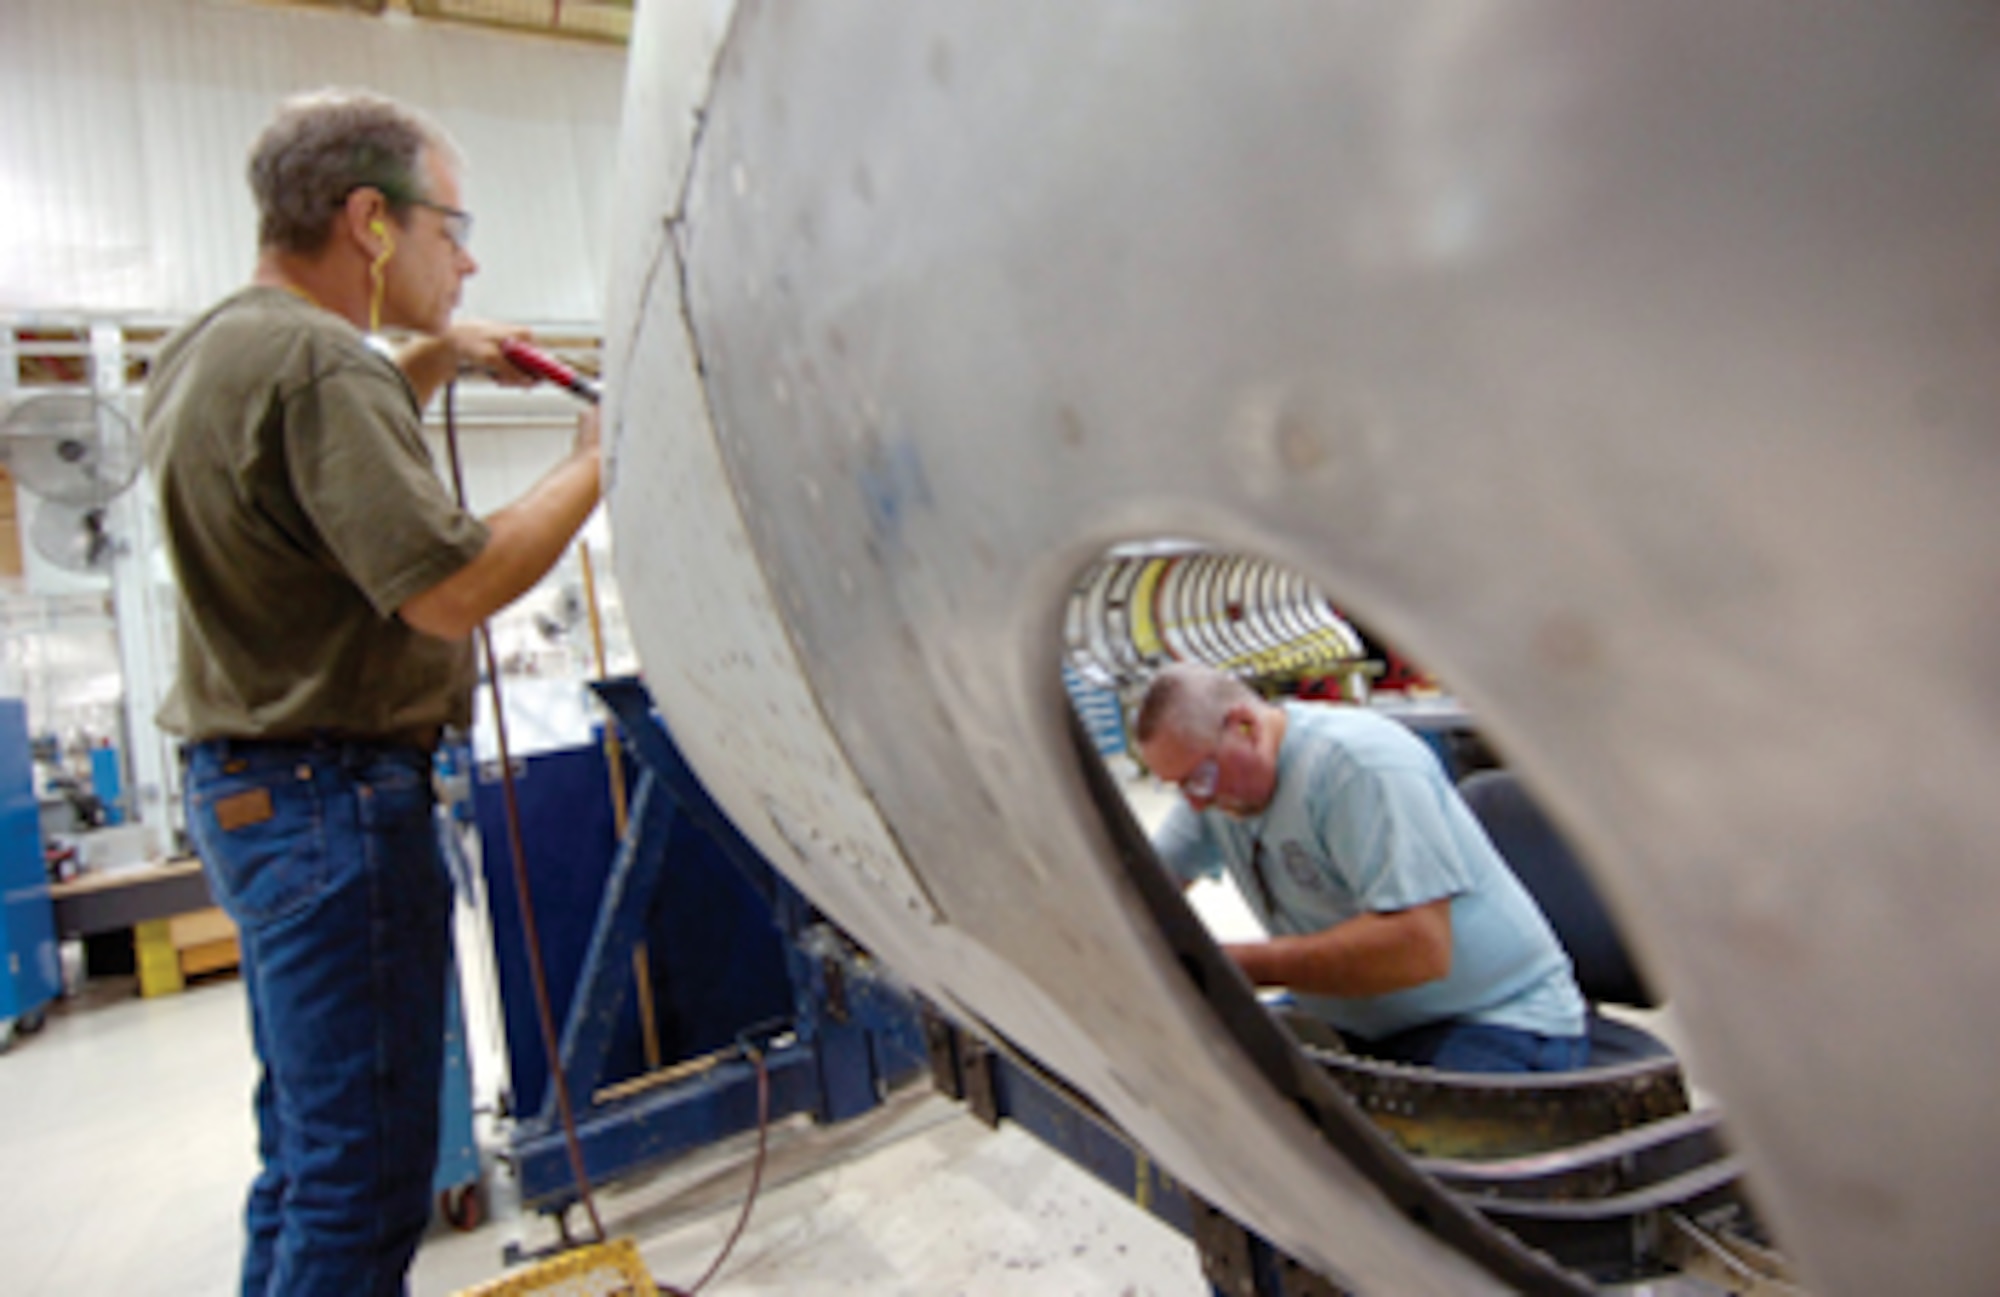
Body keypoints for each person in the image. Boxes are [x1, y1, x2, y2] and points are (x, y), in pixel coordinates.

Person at [142, 88, 603, 1296]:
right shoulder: (317, 364)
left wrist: (440, 352)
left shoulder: (217, 344)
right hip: (332, 799)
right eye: (451, 224)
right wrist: (596, 466)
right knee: (361, 1195)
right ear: (369, 222)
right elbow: (448, 587)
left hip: (254, 797)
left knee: (304, 1162)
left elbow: (316, 470)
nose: (469, 255)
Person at [1134, 662, 1588, 1074]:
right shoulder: (1219, 790)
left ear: (1246, 726)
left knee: (1395, 1160)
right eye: (1179, 788)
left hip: (1496, 1018)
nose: (1195, 801)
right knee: (1214, 1082)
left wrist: (1235, 964)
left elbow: (1419, 947)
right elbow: (1141, 889)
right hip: (1354, 1018)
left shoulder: (1358, 767)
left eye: (1199, 778)